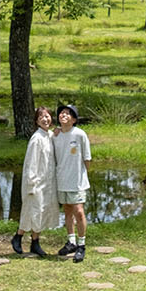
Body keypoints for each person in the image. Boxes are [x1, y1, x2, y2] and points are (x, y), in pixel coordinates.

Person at [12, 106, 59, 256]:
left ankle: (35, 243)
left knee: (41, 212)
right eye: (41, 117)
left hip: (48, 182)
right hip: (36, 182)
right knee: (31, 211)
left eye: (47, 116)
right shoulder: (36, 138)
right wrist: (31, 184)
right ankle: (18, 237)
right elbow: (31, 163)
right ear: (37, 121)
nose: (45, 119)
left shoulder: (50, 135)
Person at [53, 103, 91, 263]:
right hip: (61, 180)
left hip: (77, 181)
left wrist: (82, 175)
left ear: (74, 119)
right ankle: (71, 242)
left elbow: (87, 159)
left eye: (68, 113)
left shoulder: (80, 134)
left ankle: (81, 245)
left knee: (79, 211)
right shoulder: (55, 135)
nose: (64, 115)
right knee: (67, 211)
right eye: (62, 113)